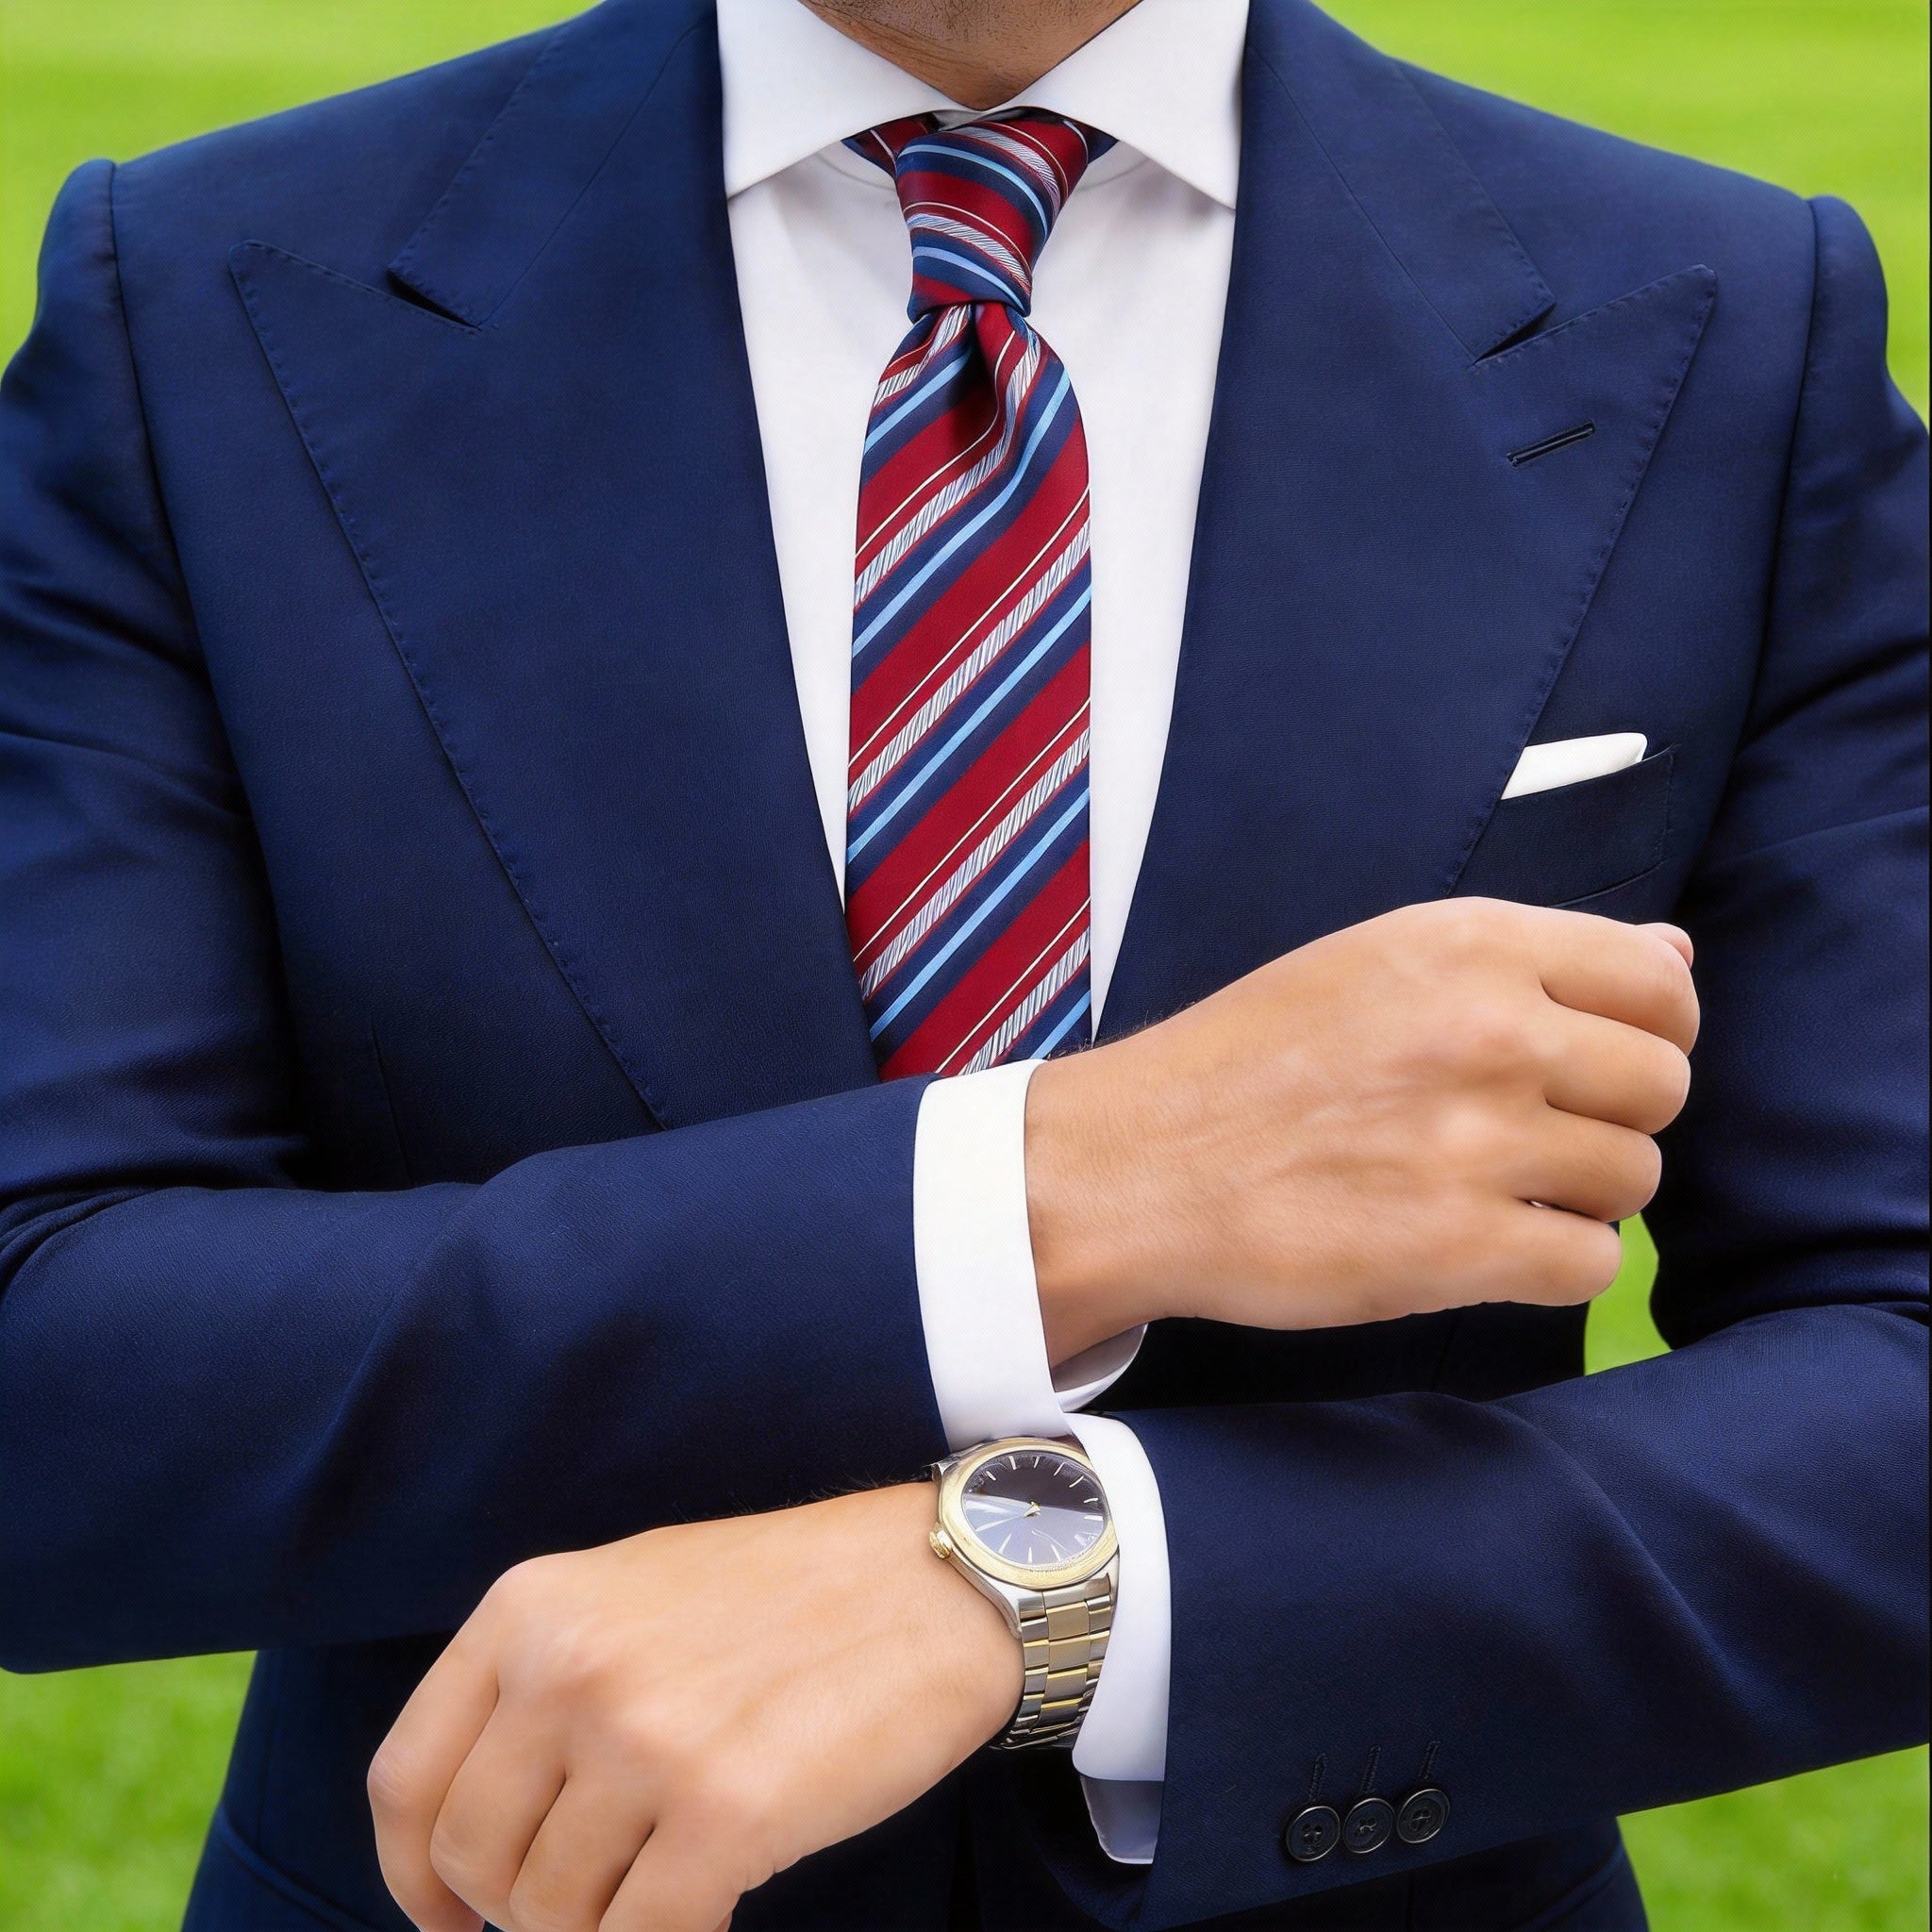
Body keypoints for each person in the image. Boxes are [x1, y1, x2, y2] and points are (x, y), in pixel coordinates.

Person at [0, 0, 1924, 1926]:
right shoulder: (200, 299)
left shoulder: (1728, 316)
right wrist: (1048, 1190)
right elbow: (51, 1371)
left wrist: (1060, 1586)